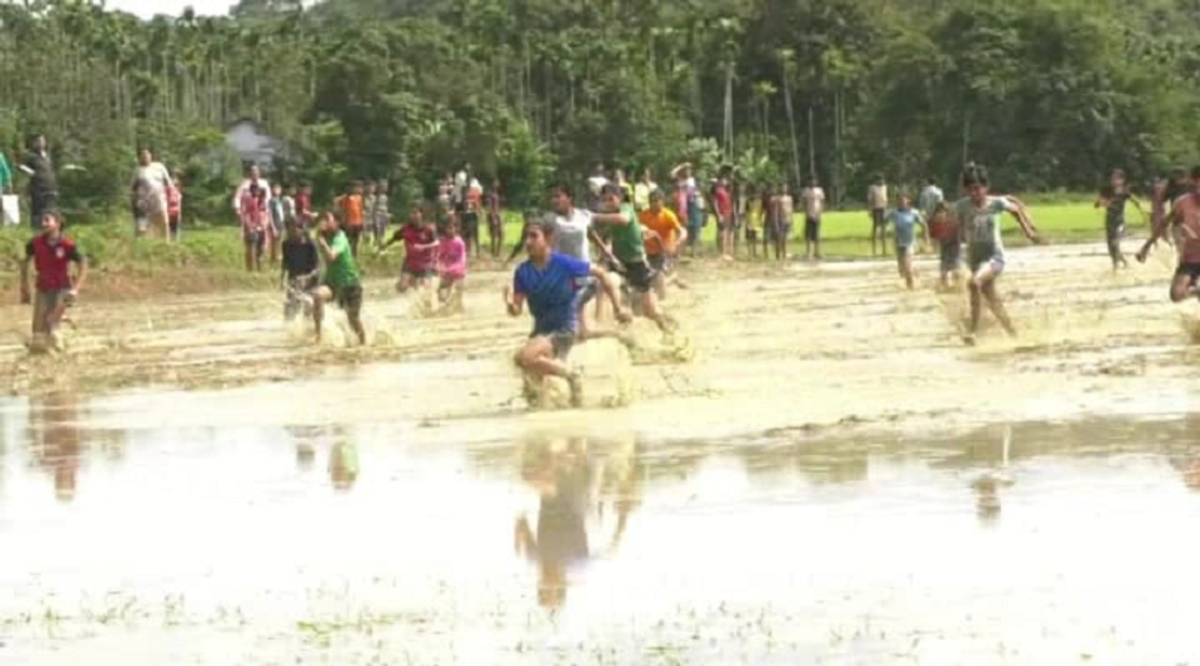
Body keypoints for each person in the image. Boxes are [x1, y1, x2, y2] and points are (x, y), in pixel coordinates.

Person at [504, 220, 628, 408]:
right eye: (526, 237)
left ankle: (572, 376)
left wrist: (618, 308)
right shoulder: (523, 272)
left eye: (534, 236)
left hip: (564, 328)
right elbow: (517, 311)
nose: (528, 242)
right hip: (540, 331)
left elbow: (601, 274)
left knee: (527, 358)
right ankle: (559, 409)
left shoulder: (564, 264)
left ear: (548, 239)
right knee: (531, 387)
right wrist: (509, 301)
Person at [953, 163, 1041, 344]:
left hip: (995, 258)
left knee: (974, 283)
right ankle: (1014, 334)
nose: (975, 194)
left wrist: (1028, 231)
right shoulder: (962, 206)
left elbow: (1015, 210)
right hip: (975, 260)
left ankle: (973, 332)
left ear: (986, 187)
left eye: (978, 189)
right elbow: (954, 222)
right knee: (992, 300)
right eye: (970, 190)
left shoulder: (996, 204)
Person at [592, 184, 674, 333]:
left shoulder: (626, 208)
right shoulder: (610, 216)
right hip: (620, 262)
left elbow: (623, 219)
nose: (608, 203)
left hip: (637, 264)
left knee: (650, 310)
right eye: (605, 200)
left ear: (620, 198)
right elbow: (608, 238)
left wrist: (595, 216)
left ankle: (666, 330)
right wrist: (606, 253)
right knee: (603, 286)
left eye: (611, 199)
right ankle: (600, 323)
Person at [19, 212, 87, 352]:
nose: (43, 224)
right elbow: (25, 262)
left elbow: (83, 264)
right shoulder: (35, 243)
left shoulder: (67, 245)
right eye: (43, 220)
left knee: (53, 328)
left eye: (47, 220)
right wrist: (24, 285)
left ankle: (59, 339)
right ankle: (55, 329)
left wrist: (76, 288)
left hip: (62, 287)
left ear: (57, 224)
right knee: (38, 331)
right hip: (43, 286)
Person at [1136, 165, 1200, 303]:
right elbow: (1164, 223)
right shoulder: (1183, 202)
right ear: (1194, 183)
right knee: (1176, 295)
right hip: (1191, 258)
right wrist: (1146, 247)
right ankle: (1195, 291)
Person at [311, 210, 366, 345]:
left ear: (337, 223)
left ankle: (364, 344)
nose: (324, 222)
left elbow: (331, 256)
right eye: (323, 219)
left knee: (353, 319)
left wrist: (322, 242)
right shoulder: (322, 236)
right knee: (317, 296)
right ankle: (318, 335)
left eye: (328, 219)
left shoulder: (340, 237)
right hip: (333, 282)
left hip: (350, 283)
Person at [639, 189, 688, 299]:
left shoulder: (668, 215)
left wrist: (678, 241)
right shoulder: (643, 216)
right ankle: (673, 278)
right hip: (648, 252)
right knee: (650, 279)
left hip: (665, 251)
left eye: (657, 201)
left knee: (659, 279)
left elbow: (682, 231)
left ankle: (665, 292)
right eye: (652, 201)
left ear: (663, 201)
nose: (655, 204)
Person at [1094, 169, 1145, 271]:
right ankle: (1119, 263)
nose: (1114, 181)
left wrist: (1143, 211)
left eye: (1116, 179)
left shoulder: (1125, 192)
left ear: (1122, 180)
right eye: (1112, 179)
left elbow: (1135, 201)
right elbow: (1097, 204)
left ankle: (1118, 266)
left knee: (1115, 243)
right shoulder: (1106, 190)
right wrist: (1102, 202)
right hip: (1109, 220)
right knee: (1111, 247)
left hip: (1119, 221)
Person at [381, 205, 439, 293]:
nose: (413, 215)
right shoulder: (406, 229)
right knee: (402, 288)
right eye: (411, 213)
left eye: (415, 212)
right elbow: (394, 238)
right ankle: (409, 281)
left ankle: (417, 282)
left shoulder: (429, 229)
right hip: (410, 262)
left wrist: (424, 246)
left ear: (421, 214)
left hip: (425, 263)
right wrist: (384, 245)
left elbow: (437, 243)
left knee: (425, 291)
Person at [130, 148, 174, 241]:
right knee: (144, 226)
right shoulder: (138, 170)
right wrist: (134, 200)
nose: (145, 157)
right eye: (142, 156)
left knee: (164, 222)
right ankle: (144, 243)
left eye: (147, 155)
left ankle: (166, 243)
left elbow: (168, 182)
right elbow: (132, 187)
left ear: (151, 156)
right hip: (144, 202)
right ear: (140, 158)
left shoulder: (159, 167)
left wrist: (171, 195)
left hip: (159, 199)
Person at [280, 218, 320, 321]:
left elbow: (317, 268)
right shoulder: (286, 244)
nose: (290, 233)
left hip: (310, 280)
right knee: (289, 307)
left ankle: (310, 327)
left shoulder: (310, 245)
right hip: (293, 278)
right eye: (288, 231)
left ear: (301, 230)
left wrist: (306, 277)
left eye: (293, 230)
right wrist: (282, 278)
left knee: (308, 305)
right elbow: (285, 262)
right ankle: (290, 331)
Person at [886, 195, 927, 290]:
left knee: (907, 266)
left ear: (908, 202)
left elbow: (924, 225)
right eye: (899, 202)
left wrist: (926, 238)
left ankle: (911, 287)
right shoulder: (894, 212)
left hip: (910, 243)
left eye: (903, 202)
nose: (901, 204)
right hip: (898, 242)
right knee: (901, 270)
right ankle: (915, 273)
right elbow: (885, 220)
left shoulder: (914, 213)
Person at [19, 134, 58, 230]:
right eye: (39, 141)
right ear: (34, 143)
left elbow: (50, 170)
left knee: (50, 210)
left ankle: (50, 229)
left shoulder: (47, 156)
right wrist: (33, 173)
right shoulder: (31, 155)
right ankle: (36, 230)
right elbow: (21, 166)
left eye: (43, 141)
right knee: (37, 210)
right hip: (38, 187)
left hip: (50, 186)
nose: (41, 143)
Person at [437, 218, 468, 310]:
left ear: (456, 229)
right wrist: (440, 266)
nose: (450, 230)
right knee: (440, 293)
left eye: (452, 228)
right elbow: (440, 256)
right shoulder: (443, 242)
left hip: (458, 272)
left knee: (457, 293)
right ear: (445, 230)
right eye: (448, 228)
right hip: (447, 272)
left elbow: (462, 257)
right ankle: (447, 304)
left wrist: (459, 266)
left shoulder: (459, 242)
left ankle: (458, 307)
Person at [928, 202, 960, 288]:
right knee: (944, 270)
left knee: (955, 269)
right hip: (944, 247)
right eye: (938, 213)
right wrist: (932, 245)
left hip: (954, 247)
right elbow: (933, 236)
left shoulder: (953, 223)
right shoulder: (934, 223)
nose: (940, 215)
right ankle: (945, 285)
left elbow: (959, 236)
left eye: (943, 212)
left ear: (947, 213)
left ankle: (958, 285)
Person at [239, 181, 268, 272]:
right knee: (251, 248)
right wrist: (250, 226)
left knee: (260, 248)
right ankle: (250, 269)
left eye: (258, 190)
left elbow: (264, 213)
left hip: (260, 227)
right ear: (252, 190)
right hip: (252, 227)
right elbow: (246, 214)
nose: (257, 191)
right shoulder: (249, 200)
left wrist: (263, 225)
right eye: (255, 190)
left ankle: (259, 268)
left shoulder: (260, 201)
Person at [335, 181, 365, 256]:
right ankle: (346, 255)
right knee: (347, 240)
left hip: (357, 222)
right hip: (349, 223)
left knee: (356, 241)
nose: (358, 189)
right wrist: (343, 222)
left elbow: (360, 210)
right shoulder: (345, 199)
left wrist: (362, 221)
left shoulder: (359, 198)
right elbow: (342, 211)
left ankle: (355, 256)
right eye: (356, 187)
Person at [800, 177, 826, 260]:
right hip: (809, 215)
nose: (813, 182)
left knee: (817, 235)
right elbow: (804, 202)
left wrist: (820, 212)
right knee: (808, 235)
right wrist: (806, 212)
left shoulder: (819, 190)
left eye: (814, 180)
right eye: (811, 180)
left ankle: (817, 252)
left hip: (817, 214)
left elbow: (822, 202)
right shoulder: (806, 191)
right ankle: (808, 252)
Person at [712, 173, 735, 260]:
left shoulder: (726, 191)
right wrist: (719, 214)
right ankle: (723, 253)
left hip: (728, 213)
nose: (726, 181)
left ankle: (727, 252)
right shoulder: (718, 190)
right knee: (723, 233)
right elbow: (715, 203)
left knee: (727, 233)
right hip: (723, 213)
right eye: (724, 180)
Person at [771, 183, 794, 261]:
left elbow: (791, 210)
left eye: (785, 188)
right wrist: (776, 222)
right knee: (779, 239)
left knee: (785, 239)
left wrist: (791, 221)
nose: (784, 189)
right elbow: (776, 211)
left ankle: (784, 254)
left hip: (787, 220)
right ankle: (778, 255)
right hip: (780, 220)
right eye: (783, 188)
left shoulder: (790, 198)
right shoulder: (777, 199)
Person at [868, 174, 889, 256]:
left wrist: (886, 209)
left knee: (883, 229)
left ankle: (884, 249)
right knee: (875, 227)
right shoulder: (872, 188)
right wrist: (870, 210)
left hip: (883, 208)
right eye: (880, 180)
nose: (882, 182)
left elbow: (886, 198)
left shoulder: (884, 187)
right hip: (875, 209)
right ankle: (874, 249)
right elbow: (870, 199)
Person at [464, 175, 483, 257]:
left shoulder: (468, 192)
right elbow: (477, 203)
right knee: (475, 234)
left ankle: (471, 251)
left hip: (470, 214)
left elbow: (472, 204)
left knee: (469, 233)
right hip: (472, 214)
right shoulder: (476, 191)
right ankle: (475, 251)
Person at [268, 182, 287, 264]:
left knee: (280, 242)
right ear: (272, 190)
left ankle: (278, 259)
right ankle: (273, 260)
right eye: (275, 189)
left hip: (281, 224)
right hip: (275, 224)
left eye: (279, 189)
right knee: (274, 243)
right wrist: (273, 227)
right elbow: (270, 214)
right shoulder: (271, 201)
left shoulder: (280, 200)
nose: (277, 190)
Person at [743, 185, 763, 260]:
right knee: (749, 237)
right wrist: (747, 221)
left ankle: (755, 252)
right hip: (750, 220)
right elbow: (746, 212)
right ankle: (750, 253)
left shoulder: (760, 201)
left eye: (757, 193)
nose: (756, 195)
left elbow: (761, 211)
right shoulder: (748, 201)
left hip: (756, 221)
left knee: (755, 237)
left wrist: (760, 220)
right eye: (755, 193)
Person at [486, 180, 503, 259]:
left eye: (497, 184)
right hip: (493, 216)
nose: (496, 185)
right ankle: (493, 254)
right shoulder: (491, 195)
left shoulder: (496, 194)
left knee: (501, 235)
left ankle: (497, 253)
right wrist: (493, 218)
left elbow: (497, 207)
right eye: (495, 184)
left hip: (497, 215)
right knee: (494, 235)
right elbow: (489, 207)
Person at [372, 180, 390, 249]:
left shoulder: (385, 197)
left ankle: (381, 240)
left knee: (383, 228)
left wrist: (387, 215)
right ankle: (377, 240)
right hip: (378, 214)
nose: (385, 188)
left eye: (386, 187)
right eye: (383, 187)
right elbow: (375, 206)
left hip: (384, 214)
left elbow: (386, 206)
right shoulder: (376, 197)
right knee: (377, 228)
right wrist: (374, 215)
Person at [166, 172, 183, 242]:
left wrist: (179, 213)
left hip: (176, 212)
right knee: (168, 228)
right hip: (168, 211)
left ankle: (176, 242)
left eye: (176, 179)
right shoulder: (167, 189)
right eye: (173, 179)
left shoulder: (178, 190)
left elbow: (179, 202)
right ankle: (167, 241)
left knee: (176, 228)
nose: (174, 181)